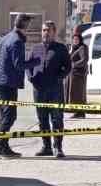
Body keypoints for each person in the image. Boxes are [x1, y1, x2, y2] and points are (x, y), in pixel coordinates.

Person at [0, 14, 31, 159]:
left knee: (4, 116)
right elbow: (19, 65)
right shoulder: (17, 41)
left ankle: (4, 146)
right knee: (10, 116)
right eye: (28, 25)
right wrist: (36, 61)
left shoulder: (6, 37)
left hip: (0, 83)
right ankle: (0, 148)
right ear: (25, 25)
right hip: (8, 84)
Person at [28, 19, 70, 157]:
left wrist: (59, 77)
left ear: (54, 32)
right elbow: (28, 65)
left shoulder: (61, 48)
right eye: (44, 30)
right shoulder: (35, 48)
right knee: (42, 119)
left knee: (57, 118)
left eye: (48, 30)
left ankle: (58, 147)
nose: (45, 33)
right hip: (39, 90)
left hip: (55, 90)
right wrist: (31, 77)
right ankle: (46, 147)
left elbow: (68, 67)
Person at [67, 27, 89, 117]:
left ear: (80, 39)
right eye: (74, 39)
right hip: (73, 75)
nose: (75, 41)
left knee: (79, 94)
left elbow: (84, 60)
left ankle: (80, 112)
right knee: (74, 94)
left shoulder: (82, 48)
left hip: (79, 75)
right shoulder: (74, 48)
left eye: (77, 39)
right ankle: (77, 111)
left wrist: (73, 65)